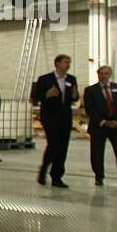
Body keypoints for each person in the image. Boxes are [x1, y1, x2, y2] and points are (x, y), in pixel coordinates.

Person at [83, 64, 117, 187]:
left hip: (116, 127)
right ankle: (99, 177)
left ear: (110, 75)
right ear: (98, 75)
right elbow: (89, 109)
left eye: (106, 73)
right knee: (97, 153)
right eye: (101, 73)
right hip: (99, 127)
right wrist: (103, 122)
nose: (104, 76)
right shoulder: (90, 90)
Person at [30, 54, 79, 188]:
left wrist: (75, 95)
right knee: (54, 144)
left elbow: (74, 97)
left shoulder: (71, 79)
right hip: (50, 116)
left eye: (69, 62)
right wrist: (47, 94)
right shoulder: (45, 79)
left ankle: (57, 177)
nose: (67, 65)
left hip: (65, 116)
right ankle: (44, 169)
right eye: (65, 62)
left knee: (63, 147)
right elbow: (35, 97)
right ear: (57, 63)